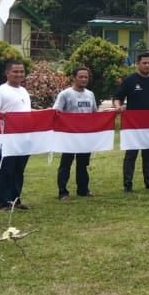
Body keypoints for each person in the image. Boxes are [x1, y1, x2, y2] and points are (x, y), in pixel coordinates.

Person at [113, 51, 149, 192]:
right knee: (131, 154)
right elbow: (118, 97)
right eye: (144, 63)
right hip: (133, 125)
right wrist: (118, 106)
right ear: (138, 64)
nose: (147, 65)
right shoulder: (130, 80)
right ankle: (128, 184)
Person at [0, 59, 33, 210]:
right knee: (6, 169)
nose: (19, 74)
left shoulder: (24, 91)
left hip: (23, 138)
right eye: (15, 71)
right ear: (7, 73)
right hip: (7, 138)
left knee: (19, 169)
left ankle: (15, 199)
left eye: (21, 71)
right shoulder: (0, 91)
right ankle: (3, 202)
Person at [53, 65, 97, 200]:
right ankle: (63, 192)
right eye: (81, 77)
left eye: (86, 77)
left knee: (83, 164)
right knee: (66, 164)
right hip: (69, 136)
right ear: (74, 78)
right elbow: (56, 112)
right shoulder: (65, 94)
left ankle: (83, 189)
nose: (84, 80)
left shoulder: (90, 94)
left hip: (85, 136)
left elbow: (94, 113)